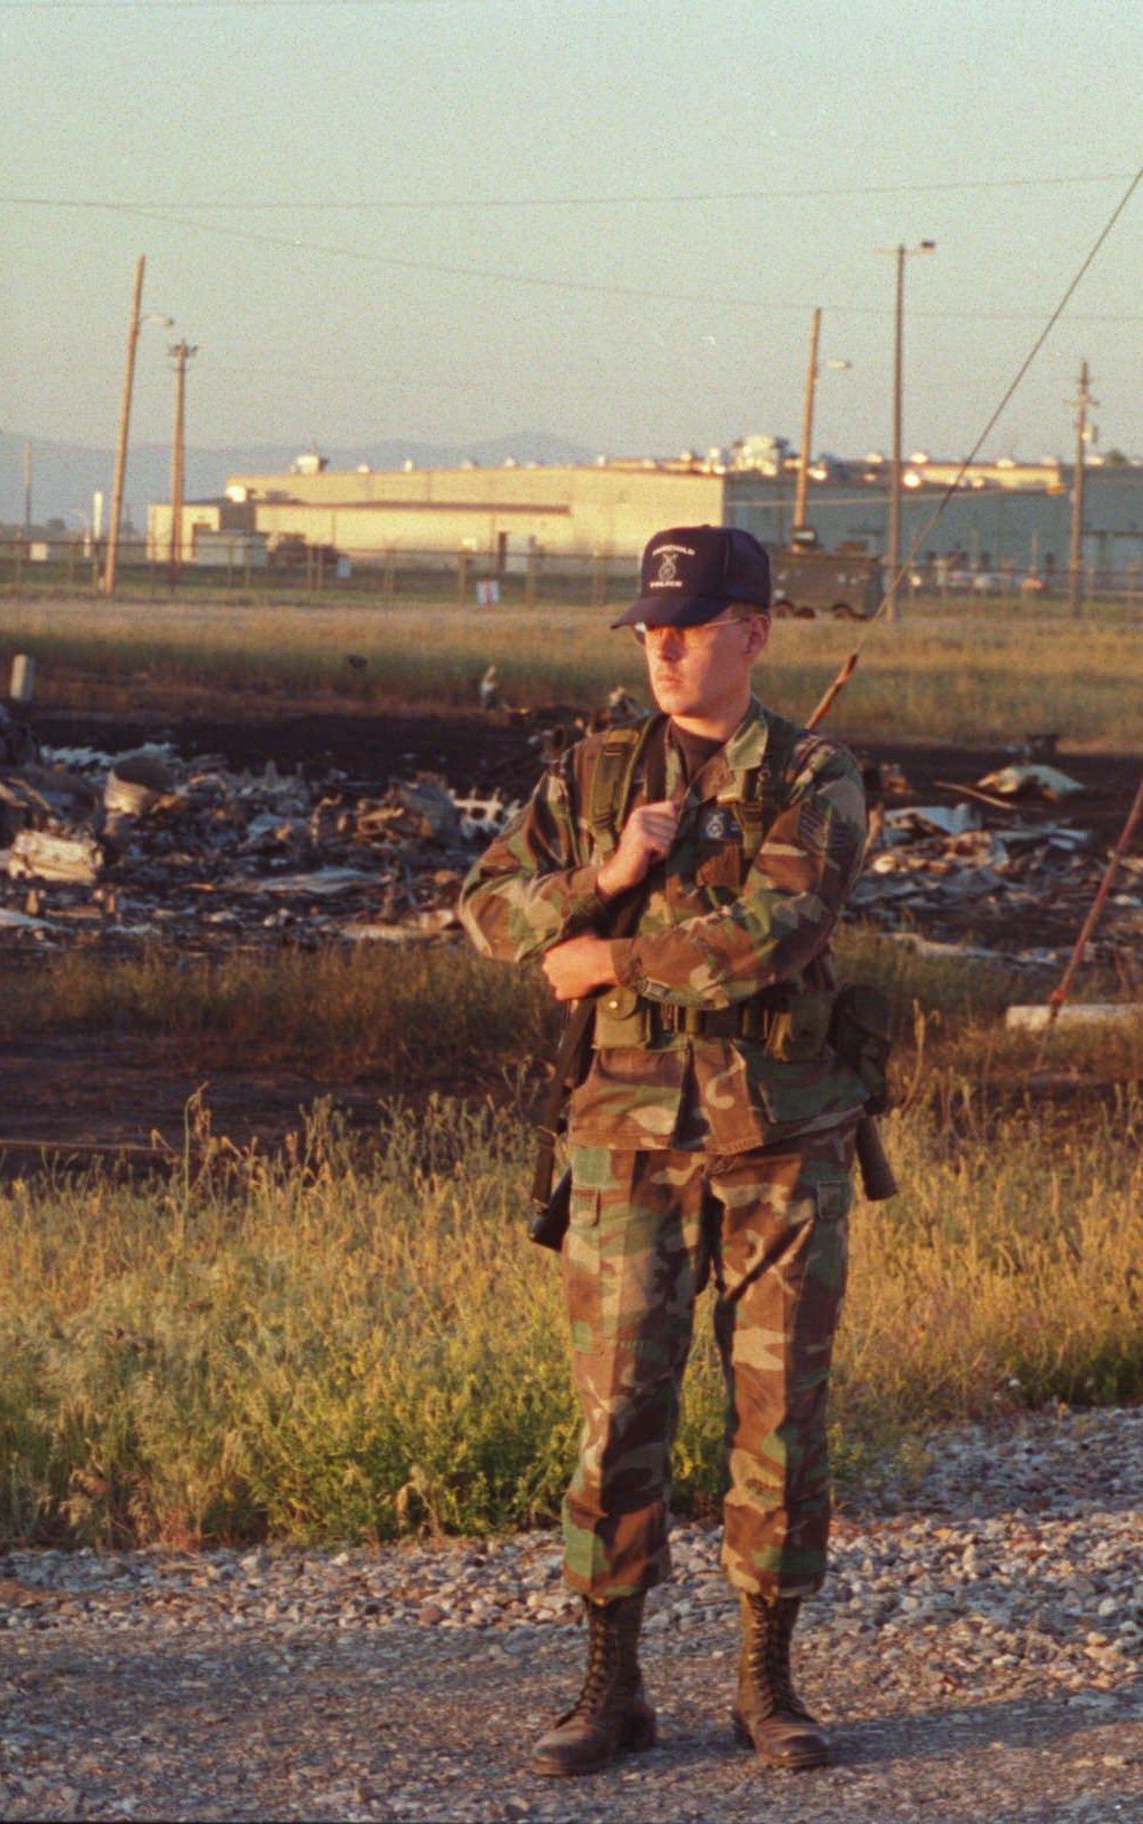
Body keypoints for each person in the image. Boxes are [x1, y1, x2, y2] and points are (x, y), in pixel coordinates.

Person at [457, 524, 875, 1777]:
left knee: (780, 1423)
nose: (664, 649)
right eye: (649, 629)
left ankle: (765, 1683)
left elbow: (778, 930)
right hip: (625, 1142)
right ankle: (610, 1687)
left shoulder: (815, 774)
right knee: (618, 1417)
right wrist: (608, 869)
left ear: (754, 630)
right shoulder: (592, 773)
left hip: (778, 1142)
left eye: (689, 628)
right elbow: (484, 909)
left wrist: (611, 959)